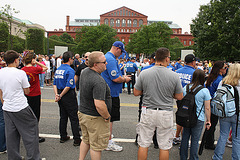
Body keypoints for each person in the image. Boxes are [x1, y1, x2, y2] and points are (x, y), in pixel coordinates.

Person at [134, 47, 183, 160]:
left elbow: (136, 92)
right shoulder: (174, 75)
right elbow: (179, 96)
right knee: (164, 145)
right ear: (166, 59)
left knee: (144, 143)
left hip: (148, 110)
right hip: (165, 111)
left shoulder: (144, 72)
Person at [0, 50, 41, 159]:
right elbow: (27, 91)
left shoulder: (1, 72)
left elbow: (0, 91)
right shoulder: (20, 73)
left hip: (7, 107)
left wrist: (4, 101)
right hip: (20, 106)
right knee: (31, 130)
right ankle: (33, 157)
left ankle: (14, 157)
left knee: (11, 135)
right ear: (15, 60)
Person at [78, 51, 111, 160]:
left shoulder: (85, 71)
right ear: (95, 64)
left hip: (83, 113)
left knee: (86, 140)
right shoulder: (98, 81)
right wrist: (107, 116)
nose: (106, 63)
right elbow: (99, 104)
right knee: (96, 147)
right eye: (104, 62)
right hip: (94, 117)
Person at [101, 41, 131, 152]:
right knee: (110, 118)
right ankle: (108, 142)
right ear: (117, 49)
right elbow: (115, 78)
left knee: (107, 118)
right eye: (121, 51)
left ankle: (106, 138)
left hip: (108, 91)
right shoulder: (111, 59)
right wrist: (125, 79)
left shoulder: (108, 57)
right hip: (111, 93)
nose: (121, 54)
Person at [179, 69, 211, 160]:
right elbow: (207, 108)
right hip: (198, 118)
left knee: (185, 137)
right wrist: (208, 120)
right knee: (195, 140)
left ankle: (183, 157)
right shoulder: (205, 91)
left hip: (186, 116)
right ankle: (193, 157)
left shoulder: (186, 88)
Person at [212, 63, 240, 160]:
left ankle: (217, 156)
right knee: (237, 138)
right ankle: (236, 158)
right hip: (238, 113)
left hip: (225, 112)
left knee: (223, 135)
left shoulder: (224, 82)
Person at [53, 51, 81, 146]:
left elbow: (55, 83)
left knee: (63, 116)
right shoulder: (70, 70)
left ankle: (63, 136)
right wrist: (61, 95)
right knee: (73, 117)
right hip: (68, 94)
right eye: (72, 58)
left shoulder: (58, 69)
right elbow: (69, 85)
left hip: (60, 92)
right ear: (69, 59)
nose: (73, 60)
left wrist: (57, 94)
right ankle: (77, 139)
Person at [22, 52, 48, 143]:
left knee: (27, 115)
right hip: (35, 94)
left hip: (26, 94)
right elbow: (45, 68)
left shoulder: (22, 69)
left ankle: (27, 133)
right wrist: (37, 62)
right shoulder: (35, 69)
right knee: (36, 116)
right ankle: (34, 135)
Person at [173, 54, 197, 144]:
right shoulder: (195, 72)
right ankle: (184, 141)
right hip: (190, 99)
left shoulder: (177, 71)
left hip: (178, 97)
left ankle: (176, 136)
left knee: (180, 115)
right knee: (187, 119)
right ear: (193, 62)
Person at [205, 61, 227, 150]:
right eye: (225, 68)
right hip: (214, 103)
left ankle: (207, 141)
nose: (226, 69)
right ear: (220, 69)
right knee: (212, 124)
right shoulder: (220, 80)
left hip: (208, 101)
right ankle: (209, 143)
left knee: (210, 123)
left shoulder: (211, 77)